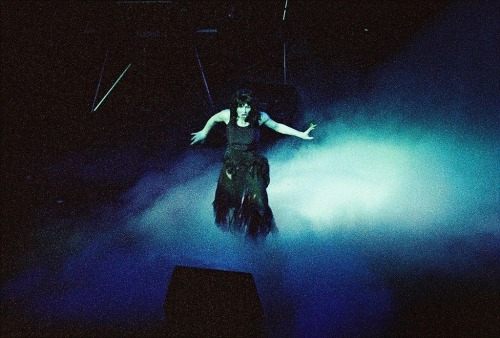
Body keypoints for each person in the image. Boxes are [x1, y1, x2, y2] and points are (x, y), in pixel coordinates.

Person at [191, 89, 316, 238]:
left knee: (260, 203)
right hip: (233, 165)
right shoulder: (227, 115)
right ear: (235, 106)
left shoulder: (260, 118)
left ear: (252, 107)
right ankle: (234, 234)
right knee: (232, 204)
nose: (244, 110)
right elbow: (213, 119)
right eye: (240, 106)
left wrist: (300, 134)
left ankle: (268, 233)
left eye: (247, 106)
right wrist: (204, 132)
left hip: (252, 165)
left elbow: (277, 126)